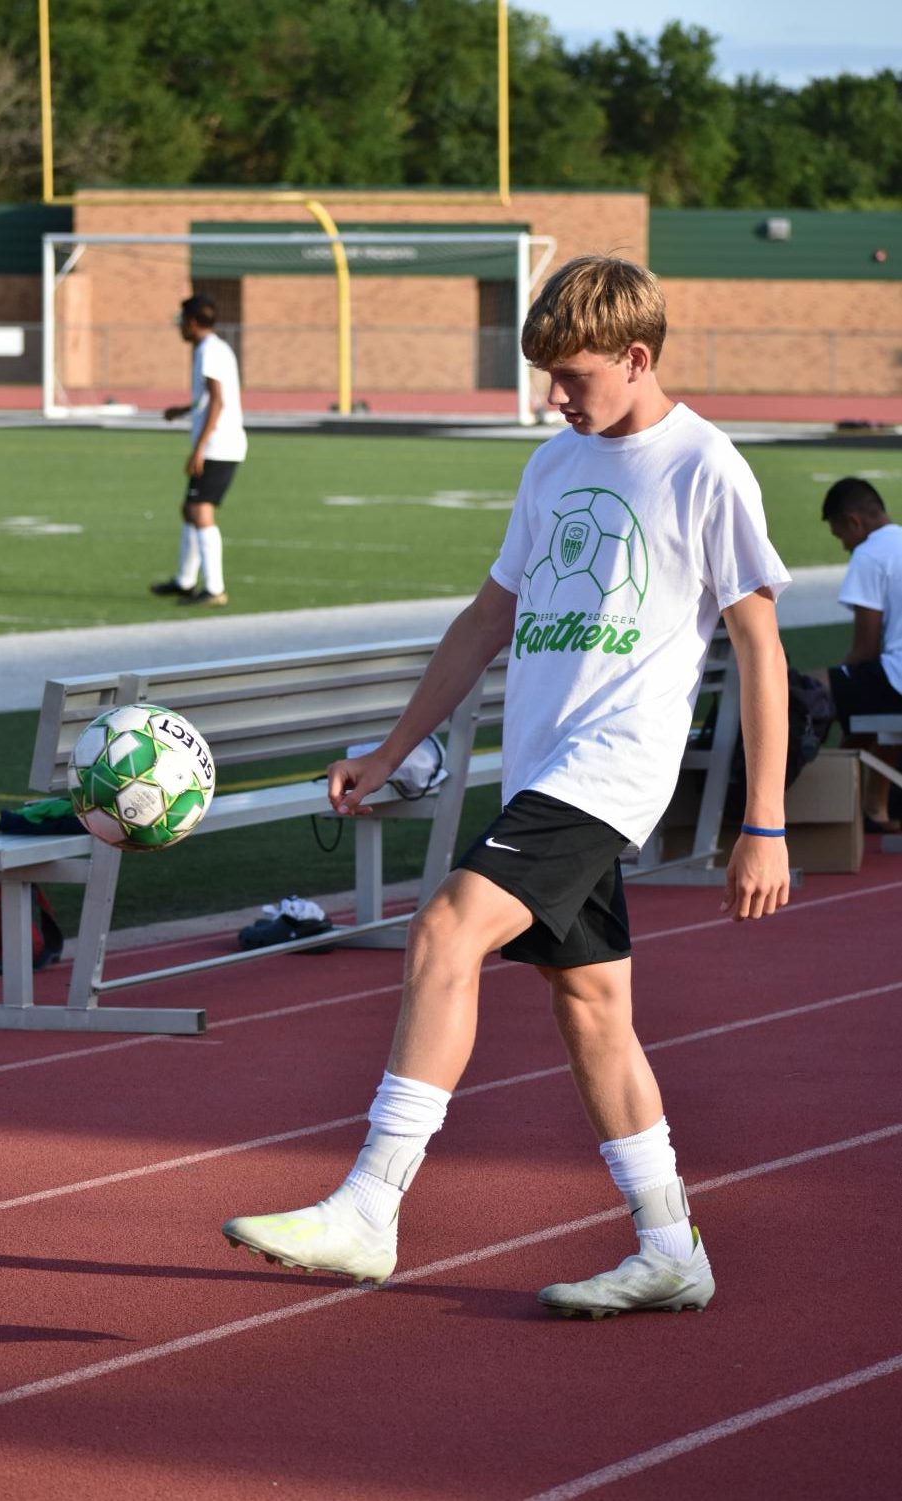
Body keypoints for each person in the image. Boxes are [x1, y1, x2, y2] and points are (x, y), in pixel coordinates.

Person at [222, 255, 792, 1318]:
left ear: (634, 357)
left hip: (609, 772)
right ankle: (670, 1246)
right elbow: (487, 619)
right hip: (540, 768)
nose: (554, 398)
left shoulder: (702, 467)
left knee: (444, 928)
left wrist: (762, 821)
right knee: (592, 1008)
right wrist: (391, 750)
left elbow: (757, 647)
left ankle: (369, 1205)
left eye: (572, 377)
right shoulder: (551, 465)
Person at [150, 294, 246, 607]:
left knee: (201, 511)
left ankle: (214, 588)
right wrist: (182, 410)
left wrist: (199, 448)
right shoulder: (211, 349)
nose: (179, 328)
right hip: (218, 442)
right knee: (189, 509)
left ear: (192, 322)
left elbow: (218, 400)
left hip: (220, 445)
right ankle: (185, 580)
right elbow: (207, 400)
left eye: (182, 322)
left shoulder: (209, 351)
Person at [822, 477, 902, 832]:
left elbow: (865, 651)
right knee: (862, 693)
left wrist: (832, 676)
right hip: (892, 682)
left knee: (805, 689)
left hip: (897, 682)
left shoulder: (870, 554)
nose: (844, 547)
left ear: (855, 522)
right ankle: (872, 806)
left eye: (841, 537)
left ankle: (823, 798)